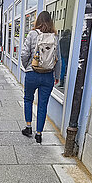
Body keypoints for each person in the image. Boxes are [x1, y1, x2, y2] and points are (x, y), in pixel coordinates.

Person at [20, 11, 61, 144]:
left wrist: (27, 66)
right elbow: (57, 59)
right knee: (42, 105)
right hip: (48, 75)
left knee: (28, 99)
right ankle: (39, 134)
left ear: (37, 21)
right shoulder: (55, 36)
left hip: (32, 73)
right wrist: (57, 76)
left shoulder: (32, 34)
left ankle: (28, 127)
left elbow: (24, 53)